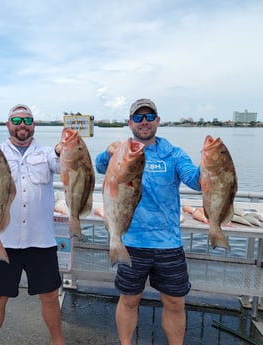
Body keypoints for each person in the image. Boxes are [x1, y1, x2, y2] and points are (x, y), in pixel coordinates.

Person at [95, 98, 201, 345]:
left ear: (158, 120)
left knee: (175, 302)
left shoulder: (174, 154)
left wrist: (209, 167)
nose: (144, 122)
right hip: (130, 240)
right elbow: (100, 166)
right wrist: (108, 151)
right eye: (139, 118)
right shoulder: (122, 150)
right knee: (129, 299)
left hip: (169, 243)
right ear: (130, 123)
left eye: (149, 116)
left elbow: (194, 180)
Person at [0, 104, 65, 345]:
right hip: (4, 239)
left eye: (27, 121)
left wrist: (64, 149)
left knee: (51, 296)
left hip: (41, 240)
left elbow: (62, 165)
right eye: (17, 120)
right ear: (7, 124)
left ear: (34, 125)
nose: (22, 125)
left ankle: (57, 340)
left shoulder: (45, 154)